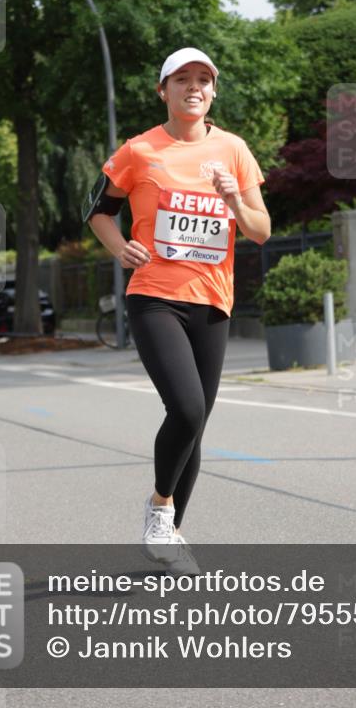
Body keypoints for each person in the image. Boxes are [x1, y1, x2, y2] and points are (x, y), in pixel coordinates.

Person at [86, 47, 271, 569]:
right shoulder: (139, 151)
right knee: (186, 408)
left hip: (212, 302)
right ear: (162, 90)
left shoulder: (234, 150)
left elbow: (261, 231)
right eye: (182, 79)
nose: (194, 87)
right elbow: (98, 211)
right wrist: (119, 247)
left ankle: (167, 538)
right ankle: (159, 508)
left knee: (196, 424)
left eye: (204, 80)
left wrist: (235, 200)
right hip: (154, 298)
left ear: (213, 92)